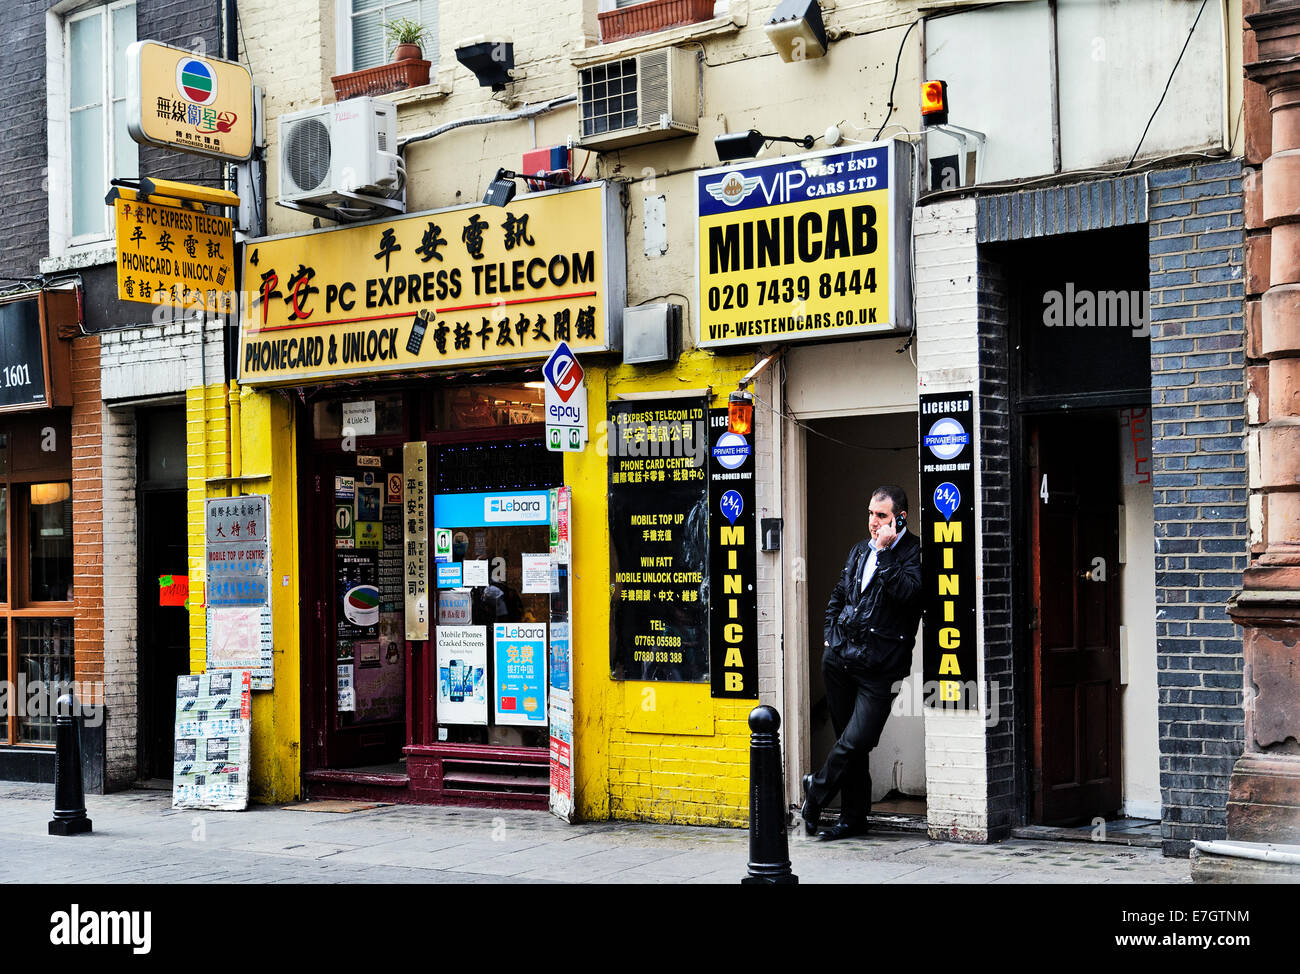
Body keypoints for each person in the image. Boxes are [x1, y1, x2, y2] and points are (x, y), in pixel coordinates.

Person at [802, 485, 923, 840]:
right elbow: (839, 595)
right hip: (840, 661)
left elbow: (908, 594)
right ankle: (852, 820)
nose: (873, 522)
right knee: (847, 742)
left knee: (857, 741)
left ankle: (816, 792)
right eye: (871, 513)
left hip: (881, 668)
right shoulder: (859, 551)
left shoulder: (913, 553)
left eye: (882, 516)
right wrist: (829, 635)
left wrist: (885, 553)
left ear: (900, 518)